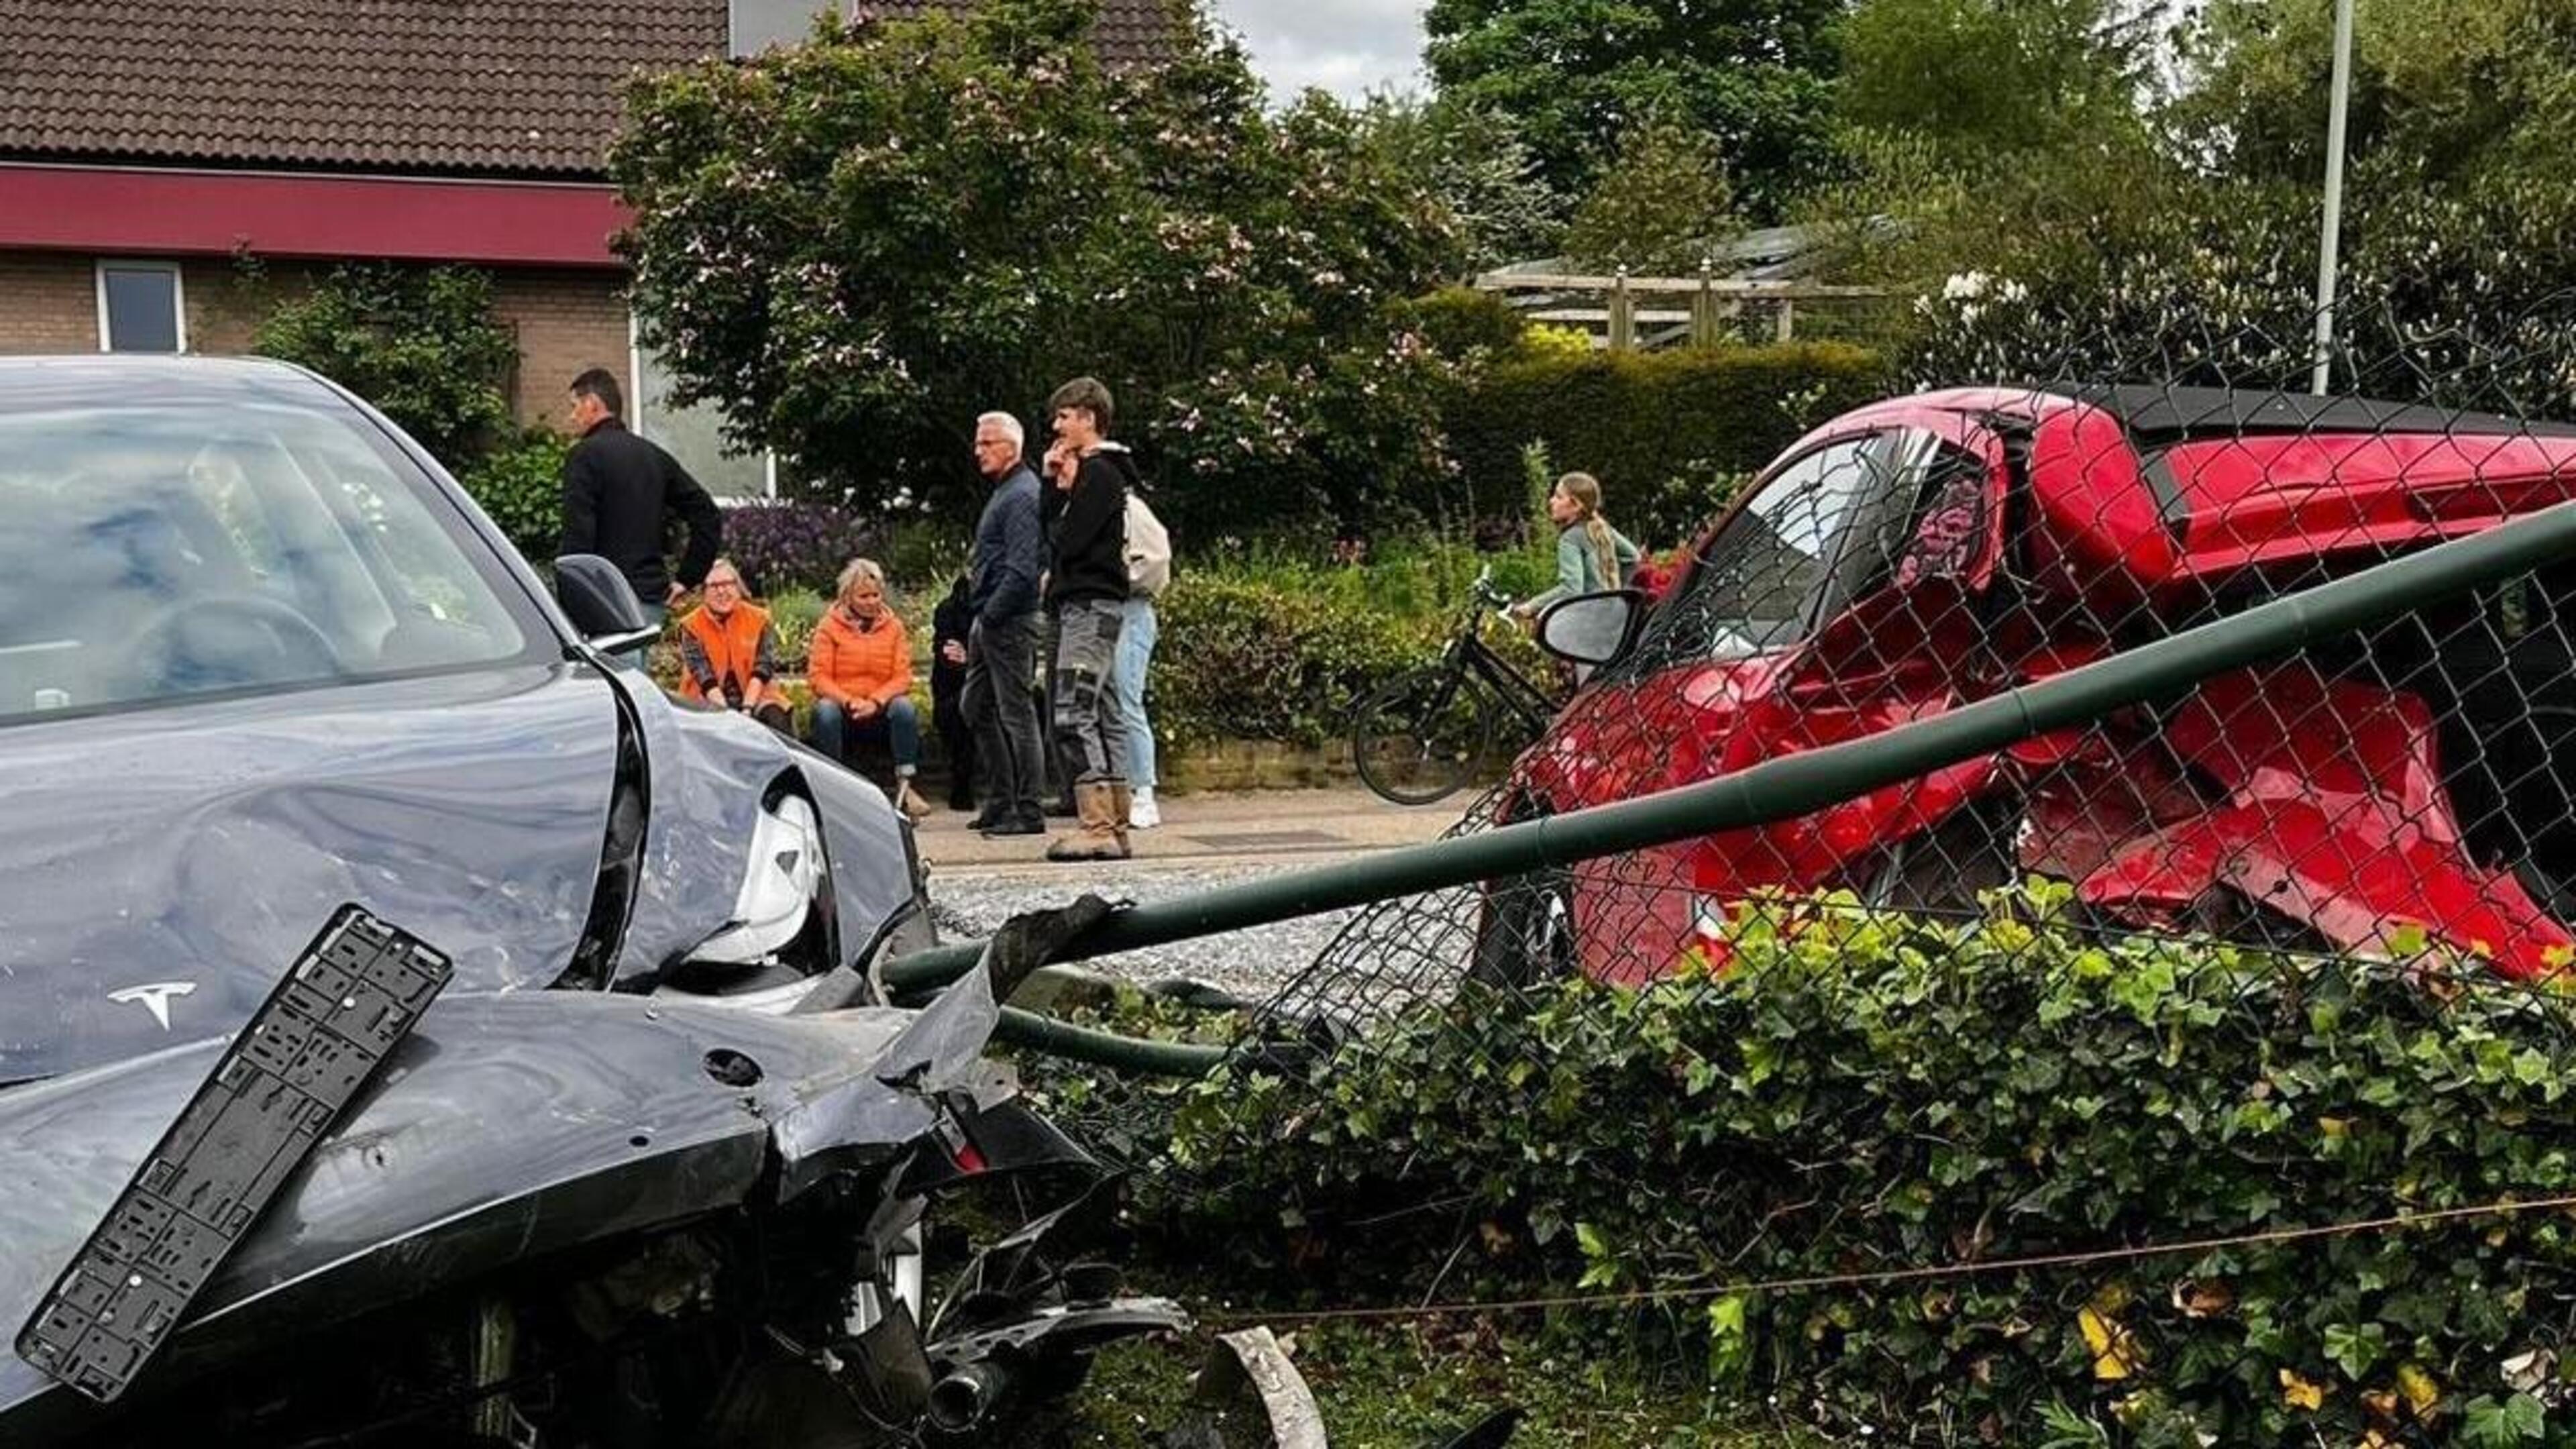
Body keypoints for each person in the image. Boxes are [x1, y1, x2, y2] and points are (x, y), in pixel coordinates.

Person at [557, 367, 722, 667]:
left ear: (593, 403)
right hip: (648, 599)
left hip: (604, 603)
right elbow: (707, 514)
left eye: (574, 406)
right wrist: (690, 576)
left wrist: (569, 602)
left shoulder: (584, 456)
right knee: (636, 689)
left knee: (614, 699)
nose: (571, 417)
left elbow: (578, 536)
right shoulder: (653, 457)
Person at [1040, 378, 1132, 863]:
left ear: (1088, 418)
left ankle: (1098, 825)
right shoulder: (1099, 474)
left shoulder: (1099, 475)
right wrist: (1055, 486)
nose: (1057, 427)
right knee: (1104, 710)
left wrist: (1060, 494)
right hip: (1091, 605)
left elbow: (1067, 543)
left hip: (1089, 605)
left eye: (1065, 416)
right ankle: (1114, 821)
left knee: (1073, 711)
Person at [961, 411, 1049, 837]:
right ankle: (1000, 799)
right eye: (978, 443)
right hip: (991, 617)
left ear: (1011, 447)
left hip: (1009, 619)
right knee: (975, 706)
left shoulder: (1021, 496)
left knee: (1017, 715)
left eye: (987, 443)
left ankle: (1028, 808)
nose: (978, 451)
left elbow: (1023, 568)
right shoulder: (1007, 492)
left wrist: (992, 615)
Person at [806, 558, 932, 822]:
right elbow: (818, 677)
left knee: (904, 708)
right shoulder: (829, 627)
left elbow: (902, 676)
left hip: (880, 706)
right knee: (825, 711)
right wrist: (849, 701)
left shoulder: (894, 627)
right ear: (848, 596)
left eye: (876, 595)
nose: (872, 601)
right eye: (864, 596)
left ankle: (906, 787)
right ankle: (832, 789)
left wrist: (876, 701)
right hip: (844, 708)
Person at [1109, 445, 1169, 830]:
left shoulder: (1133, 511)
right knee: (1115, 702)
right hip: (1115, 611)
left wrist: (1120, 580)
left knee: (1128, 700)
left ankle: (1144, 792)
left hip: (1132, 611)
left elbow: (1156, 559)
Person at [675, 558, 790, 734]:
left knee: (776, 719)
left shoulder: (760, 619)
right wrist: (727, 714)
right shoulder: (690, 625)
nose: (721, 591)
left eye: (727, 584)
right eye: (714, 586)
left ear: (738, 588)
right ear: (703, 592)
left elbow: (763, 667)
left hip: (755, 695)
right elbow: (703, 674)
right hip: (708, 697)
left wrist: (747, 708)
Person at [1513, 471, 1642, 625]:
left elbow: (1571, 589)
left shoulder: (1571, 538)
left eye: (1559, 497)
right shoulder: (1602, 528)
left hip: (1587, 623)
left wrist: (1531, 606)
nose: (1551, 501)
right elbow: (1633, 557)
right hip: (1613, 617)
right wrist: (1617, 591)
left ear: (1575, 505)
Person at [930, 574, 979, 813]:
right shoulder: (949, 611)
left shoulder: (1009, 605)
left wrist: (972, 657)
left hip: (1000, 686)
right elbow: (949, 659)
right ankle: (962, 785)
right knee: (961, 704)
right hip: (956, 689)